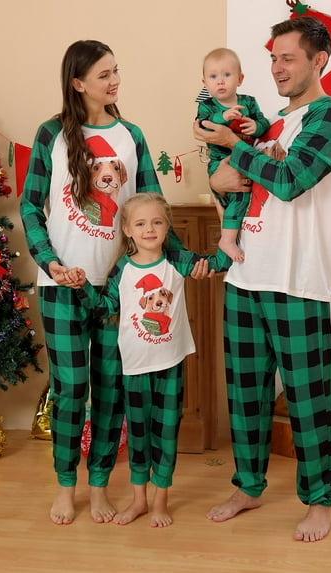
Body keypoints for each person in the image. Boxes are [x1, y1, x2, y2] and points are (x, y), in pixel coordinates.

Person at [193, 16, 331, 542]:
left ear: (318, 60)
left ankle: (319, 501)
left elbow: (289, 180)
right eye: (272, 58)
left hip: (296, 281)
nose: (277, 67)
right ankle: (248, 486)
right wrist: (218, 176)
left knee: (308, 398)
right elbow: (231, 185)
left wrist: (231, 148)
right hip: (245, 274)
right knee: (246, 395)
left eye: (288, 58)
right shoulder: (268, 126)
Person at [20, 40, 188, 526]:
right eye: (103, 74)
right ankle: (65, 487)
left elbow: (155, 208)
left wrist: (193, 261)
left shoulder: (131, 136)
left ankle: (98, 488)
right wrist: (51, 262)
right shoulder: (51, 134)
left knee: (111, 392)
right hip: (62, 287)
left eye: (116, 71)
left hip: (119, 289)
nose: (114, 81)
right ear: (78, 83)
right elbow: (30, 206)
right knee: (71, 390)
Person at [72, 192, 231, 527]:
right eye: (141, 223)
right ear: (127, 230)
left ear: (167, 227)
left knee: (166, 434)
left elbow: (219, 263)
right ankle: (139, 501)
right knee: (140, 436)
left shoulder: (177, 261)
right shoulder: (122, 269)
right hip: (134, 367)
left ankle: (160, 502)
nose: (149, 229)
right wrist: (83, 286)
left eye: (157, 222)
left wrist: (228, 223)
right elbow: (105, 308)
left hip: (170, 366)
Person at [197, 48, 270, 262]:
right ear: (205, 82)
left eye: (227, 75)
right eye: (213, 76)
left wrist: (256, 126)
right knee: (237, 194)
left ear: (240, 79)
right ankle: (227, 240)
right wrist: (223, 116)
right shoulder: (207, 106)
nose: (220, 81)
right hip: (220, 161)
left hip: (245, 160)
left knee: (246, 194)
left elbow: (264, 123)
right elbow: (203, 124)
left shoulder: (249, 102)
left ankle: (239, 237)